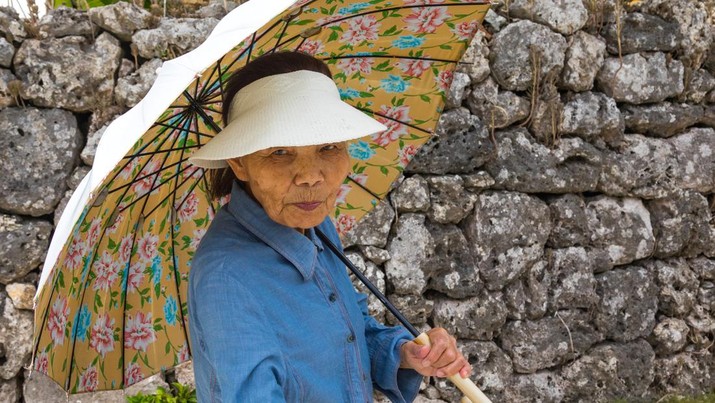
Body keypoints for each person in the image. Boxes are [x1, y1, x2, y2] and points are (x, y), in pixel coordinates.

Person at [186, 51, 470, 402]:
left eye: (329, 147)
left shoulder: (313, 225)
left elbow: (349, 335)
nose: (309, 177)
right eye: (279, 153)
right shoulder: (227, 278)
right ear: (239, 164)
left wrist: (407, 354)